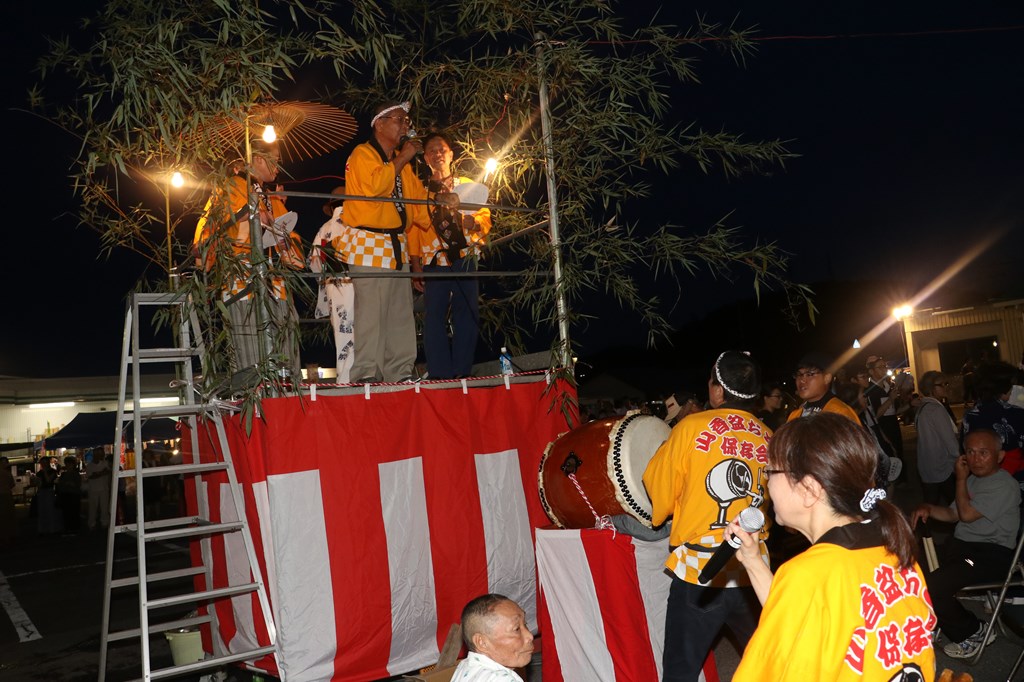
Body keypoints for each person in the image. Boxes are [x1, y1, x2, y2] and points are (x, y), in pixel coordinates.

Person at [728, 413, 935, 680]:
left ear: (809, 489)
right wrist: (753, 560)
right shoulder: (894, 551)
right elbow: (799, 619)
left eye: (770, 471)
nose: (766, 481)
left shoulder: (808, 574)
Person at [642, 350, 771, 682]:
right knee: (771, 664)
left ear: (717, 390)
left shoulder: (691, 427)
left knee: (681, 671)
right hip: (753, 570)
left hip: (701, 569)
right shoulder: (770, 436)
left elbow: (658, 492)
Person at [336, 101, 450, 383]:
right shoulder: (362, 154)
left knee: (400, 315)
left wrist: (442, 204)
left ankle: (399, 373)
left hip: (396, 245)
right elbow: (375, 188)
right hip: (368, 243)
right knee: (372, 314)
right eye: (399, 119)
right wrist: (403, 158)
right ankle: (366, 374)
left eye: (407, 120)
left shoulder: (404, 165)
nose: (405, 125)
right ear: (379, 123)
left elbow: (418, 207)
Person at [193, 142, 305, 379]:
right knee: (250, 358)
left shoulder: (269, 196)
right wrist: (251, 217)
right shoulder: (229, 188)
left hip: (276, 283)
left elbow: (292, 249)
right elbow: (208, 236)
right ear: (257, 159)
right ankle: (252, 399)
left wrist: (282, 236)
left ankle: (287, 396)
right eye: (275, 159)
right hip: (242, 279)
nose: (279, 166)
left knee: (286, 352)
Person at [910, 428, 1021, 659]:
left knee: (933, 587)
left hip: (989, 555)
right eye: (970, 452)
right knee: (911, 567)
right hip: (963, 549)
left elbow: (967, 514)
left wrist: (960, 479)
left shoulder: (1004, 485)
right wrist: (928, 508)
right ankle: (932, 617)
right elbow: (953, 514)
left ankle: (974, 631)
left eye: (983, 452)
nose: (975, 458)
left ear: (999, 456)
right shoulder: (973, 481)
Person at [408, 132, 491, 379]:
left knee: (467, 312)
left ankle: (462, 371)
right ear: (425, 158)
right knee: (434, 316)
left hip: (465, 256)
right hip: (434, 259)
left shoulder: (467, 184)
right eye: (432, 150)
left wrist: (471, 223)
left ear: (451, 154)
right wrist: (415, 265)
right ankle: (440, 374)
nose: (437, 154)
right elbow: (412, 228)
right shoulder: (421, 191)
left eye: (442, 149)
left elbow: (485, 217)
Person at [310, 185, 356, 383]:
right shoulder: (358, 224)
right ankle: (366, 375)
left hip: (336, 285)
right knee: (366, 330)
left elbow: (314, 264)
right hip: (361, 280)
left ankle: (345, 378)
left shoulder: (325, 229)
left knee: (343, 334)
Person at [960, 360, 1024, 474]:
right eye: (1011, 384)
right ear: (1003, 386)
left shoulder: (969, 416)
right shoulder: (1016, 413)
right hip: (1013, 476)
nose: (1013, 388)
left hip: (981, 475)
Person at [452, 594, 534, 681]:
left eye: (525, 624)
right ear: (482, 643)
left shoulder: (465, 666)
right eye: (516, 629)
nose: (530, 636)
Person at [916, 371, 959, 506]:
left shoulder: (923, 407)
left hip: (927, 464)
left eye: (946, 383)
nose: (947, 387)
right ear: (931, 388)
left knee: (930, 504)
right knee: (955, 504)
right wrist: (960, 458)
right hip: (941, 466)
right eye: (942, 384)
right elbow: (949, 441)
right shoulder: (936, 409)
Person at [787, 352, 861, 424]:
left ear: (827, 378)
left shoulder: (839, 414)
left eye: (809, 374)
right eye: (799, 375)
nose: (802, 380)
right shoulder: (794, 416)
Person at [84, 449, 112, 532]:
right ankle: (92, 523)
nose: (101, 456)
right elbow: (91, 476)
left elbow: (107, 472)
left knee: (104, 507)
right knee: (93, 508)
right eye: (99, 454)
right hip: (93, 489)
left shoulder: (105, 463)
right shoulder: (89, 465)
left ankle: (105, 523)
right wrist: (100, 473)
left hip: (104, 488)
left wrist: (97, 474)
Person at [56, 455, 82, 534]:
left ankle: (74, 528)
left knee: (74, 512)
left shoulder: (76, 474)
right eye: (67, 464)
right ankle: (68, 528)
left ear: (73, 465)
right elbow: (60, 484)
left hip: (74, 495)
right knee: (66, 513)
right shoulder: (63, 474)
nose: (68, 466)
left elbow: (78, 485)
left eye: (70, 464)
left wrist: (70, 484)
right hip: (65, 495)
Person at [0, 457, 15, 548]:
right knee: (7, 516)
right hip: (6, 495)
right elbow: (12, 484)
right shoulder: (8, 474)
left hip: (4, 495)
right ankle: (7, 537)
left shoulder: (7, 473)